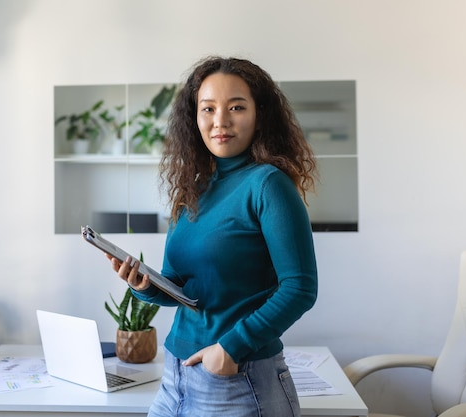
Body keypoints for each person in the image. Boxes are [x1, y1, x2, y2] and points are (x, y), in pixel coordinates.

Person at [107, 56, 318, 417]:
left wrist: (232, 347)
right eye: (208, 109)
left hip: (237, 381)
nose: (220, 121)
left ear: (259, 114)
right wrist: (145, 286)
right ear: (195, 117)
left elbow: (300, 288)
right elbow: (185, 291)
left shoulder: (268, 185)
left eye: (236, 107)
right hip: (174, 376)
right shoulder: (193, 189)